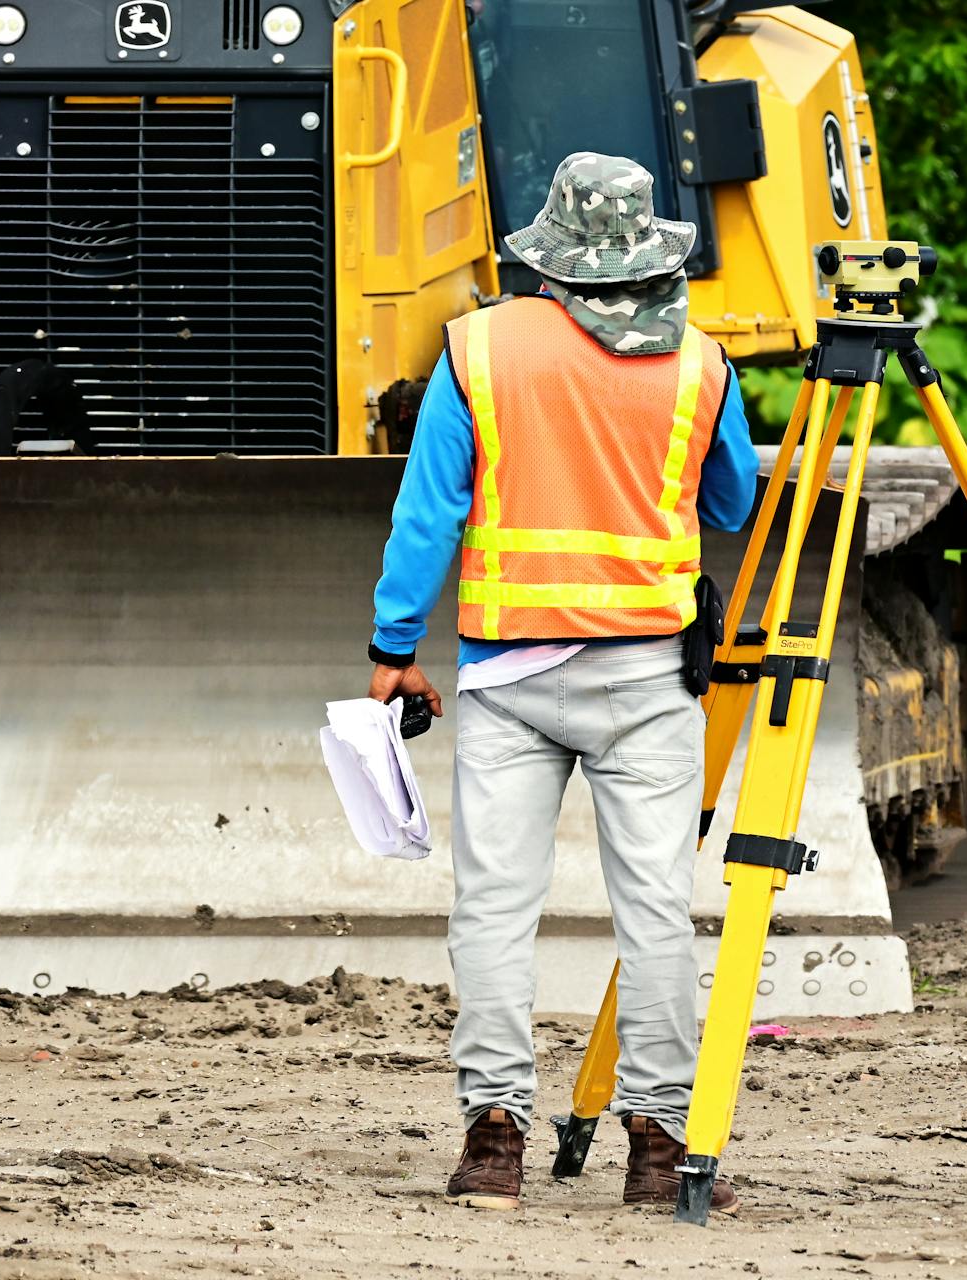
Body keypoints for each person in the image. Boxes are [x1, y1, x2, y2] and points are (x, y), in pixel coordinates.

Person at [364, 152, 760, 1213]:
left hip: (509, 675)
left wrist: (394, 643)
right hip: (646, 679)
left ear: (550, 253)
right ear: (642, 251)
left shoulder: (478, 348)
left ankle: (494, 1140)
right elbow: (730, 502)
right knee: (656, 913)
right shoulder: (703, 363)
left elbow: (428, 513)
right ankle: (661, 1150)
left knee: (492, 905)